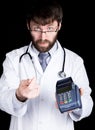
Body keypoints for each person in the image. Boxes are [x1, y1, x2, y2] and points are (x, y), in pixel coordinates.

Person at [0, 0, 93, 130]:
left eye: (49, 29)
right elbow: (2, 100)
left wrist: (77, 103)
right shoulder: (13, 59)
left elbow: (88, 105)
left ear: (59, 25)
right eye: (37, 28)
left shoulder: (75, 61)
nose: (43, 37)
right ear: (28, 25)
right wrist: (18, 95)